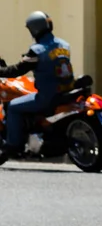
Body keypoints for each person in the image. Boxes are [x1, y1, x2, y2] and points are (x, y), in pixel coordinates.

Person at [0, 11, 74, 160]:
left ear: (34, 29)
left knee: (13, 106)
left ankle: (13, 146)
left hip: (47, 97)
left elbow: (17, 70)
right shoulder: (64, 45)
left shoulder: (37, 50)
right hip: (65, 93)